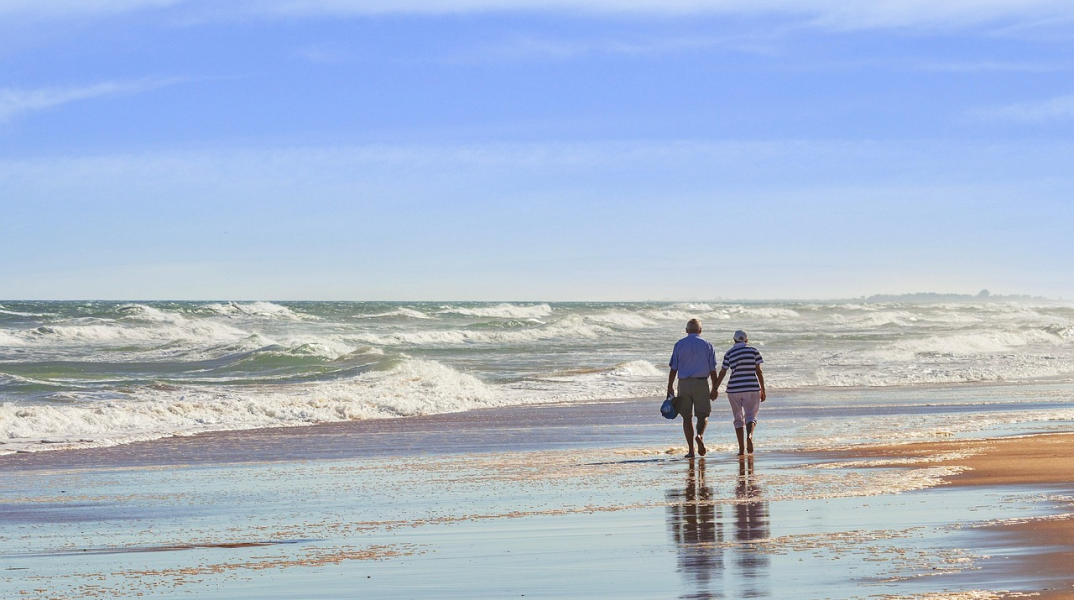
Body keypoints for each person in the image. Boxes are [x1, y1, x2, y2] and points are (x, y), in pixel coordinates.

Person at [667, 319, 719, 458]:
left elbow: (673, 368)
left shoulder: (679, 344)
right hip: (701, 383)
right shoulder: (707, 345)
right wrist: (714, 388)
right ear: (700, 331)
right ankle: (699, 436)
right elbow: (713, 369)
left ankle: (691, 450)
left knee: (686, 417)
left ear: (686, 330)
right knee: (703, 415)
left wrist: (670, 386)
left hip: (684, 384)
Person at [712, 330, 766, 456]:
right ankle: (750, 436)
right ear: (747, 339)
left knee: (738, 418)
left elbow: (723, 372)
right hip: (751, 387)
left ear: (734, 340)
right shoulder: (754, 351)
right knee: (751, 416)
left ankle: (741, 449)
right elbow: (759, 372)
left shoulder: (729, 353)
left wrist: (715, 388)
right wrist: (763, 389)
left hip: (734, 389)